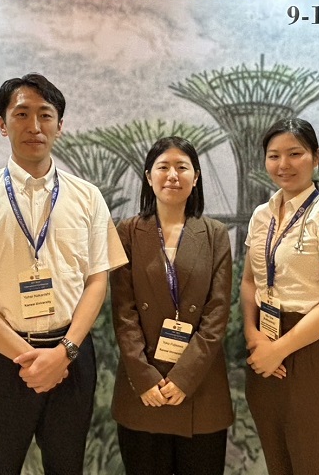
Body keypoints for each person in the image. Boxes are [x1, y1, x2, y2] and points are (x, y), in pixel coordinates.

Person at [0, 73, 128, 475]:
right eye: (21, 114)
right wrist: (29, 359)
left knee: (67, 468)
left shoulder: (87, 197)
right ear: (2, 124)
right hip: (0, 361)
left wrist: (64, 352)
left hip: (71, 357)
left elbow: (97, 281)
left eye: (45, 115)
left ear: (60, 125)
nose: (34, 126)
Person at [110, 136, 234, 475]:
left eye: (182, 167)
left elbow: (217, 313)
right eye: (163, 167)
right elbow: (123, 313)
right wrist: (144, 377)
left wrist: (184, 378)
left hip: (201, 389)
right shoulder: (128, 232)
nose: (173, 175)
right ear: (149, 176)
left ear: (196, 177)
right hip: (143, 390)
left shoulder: (215, 234)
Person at [240, 117, 319, 475]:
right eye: (274, 155)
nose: (284, 164)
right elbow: (248, 282)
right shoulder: (261, 216)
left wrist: (279, 349)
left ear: (316, 157)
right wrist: (253, 336)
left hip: (313, 351)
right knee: (279, 464)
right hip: (264, 351)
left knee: (318, 464)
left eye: (295, 154)